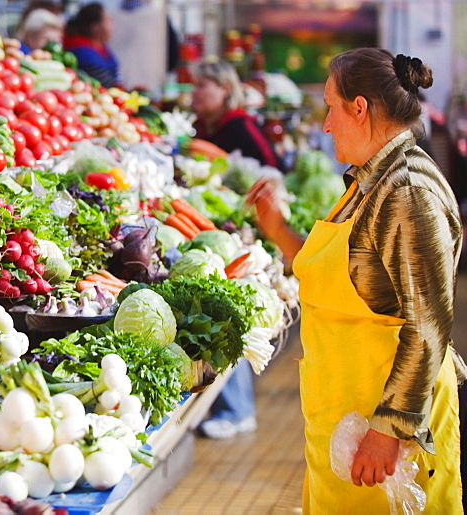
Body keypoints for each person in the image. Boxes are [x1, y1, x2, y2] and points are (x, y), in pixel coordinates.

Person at [246, 48, 464, 511]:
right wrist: (279, 230)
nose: (326, 124)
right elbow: (351, 273)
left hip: (385, 429)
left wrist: (390, 429)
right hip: (348, 416)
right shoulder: (370, 180)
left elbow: (428, 326)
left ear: (359, 108)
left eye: (331, 107)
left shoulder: (407, 191)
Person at [190, 59, 279, 440]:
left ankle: (238, 409)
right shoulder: (203, 127)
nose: (195, 95)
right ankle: (233, 406)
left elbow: (271, 169)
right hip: (220, 218)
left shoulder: (239, 126)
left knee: (225, 306)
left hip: (249, 224)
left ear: (224, 90)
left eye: (202, 88)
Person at [191, 58, 279, 169]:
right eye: (194, 85)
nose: (194, 91)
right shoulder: (199, 127)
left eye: (201, 85)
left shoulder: (240, 125)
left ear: (226, 89)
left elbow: (272, 164)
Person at [110, 0, 179, 94]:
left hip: (117, 81)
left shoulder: (110, 16)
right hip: (149, 81)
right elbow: (173, 49)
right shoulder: (159, 16)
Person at [63, 2, 119, 87]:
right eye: (108, 20)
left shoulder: (101, 47)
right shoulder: (81, 51)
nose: (113, 25)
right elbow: (104, 85)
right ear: (95, 27)